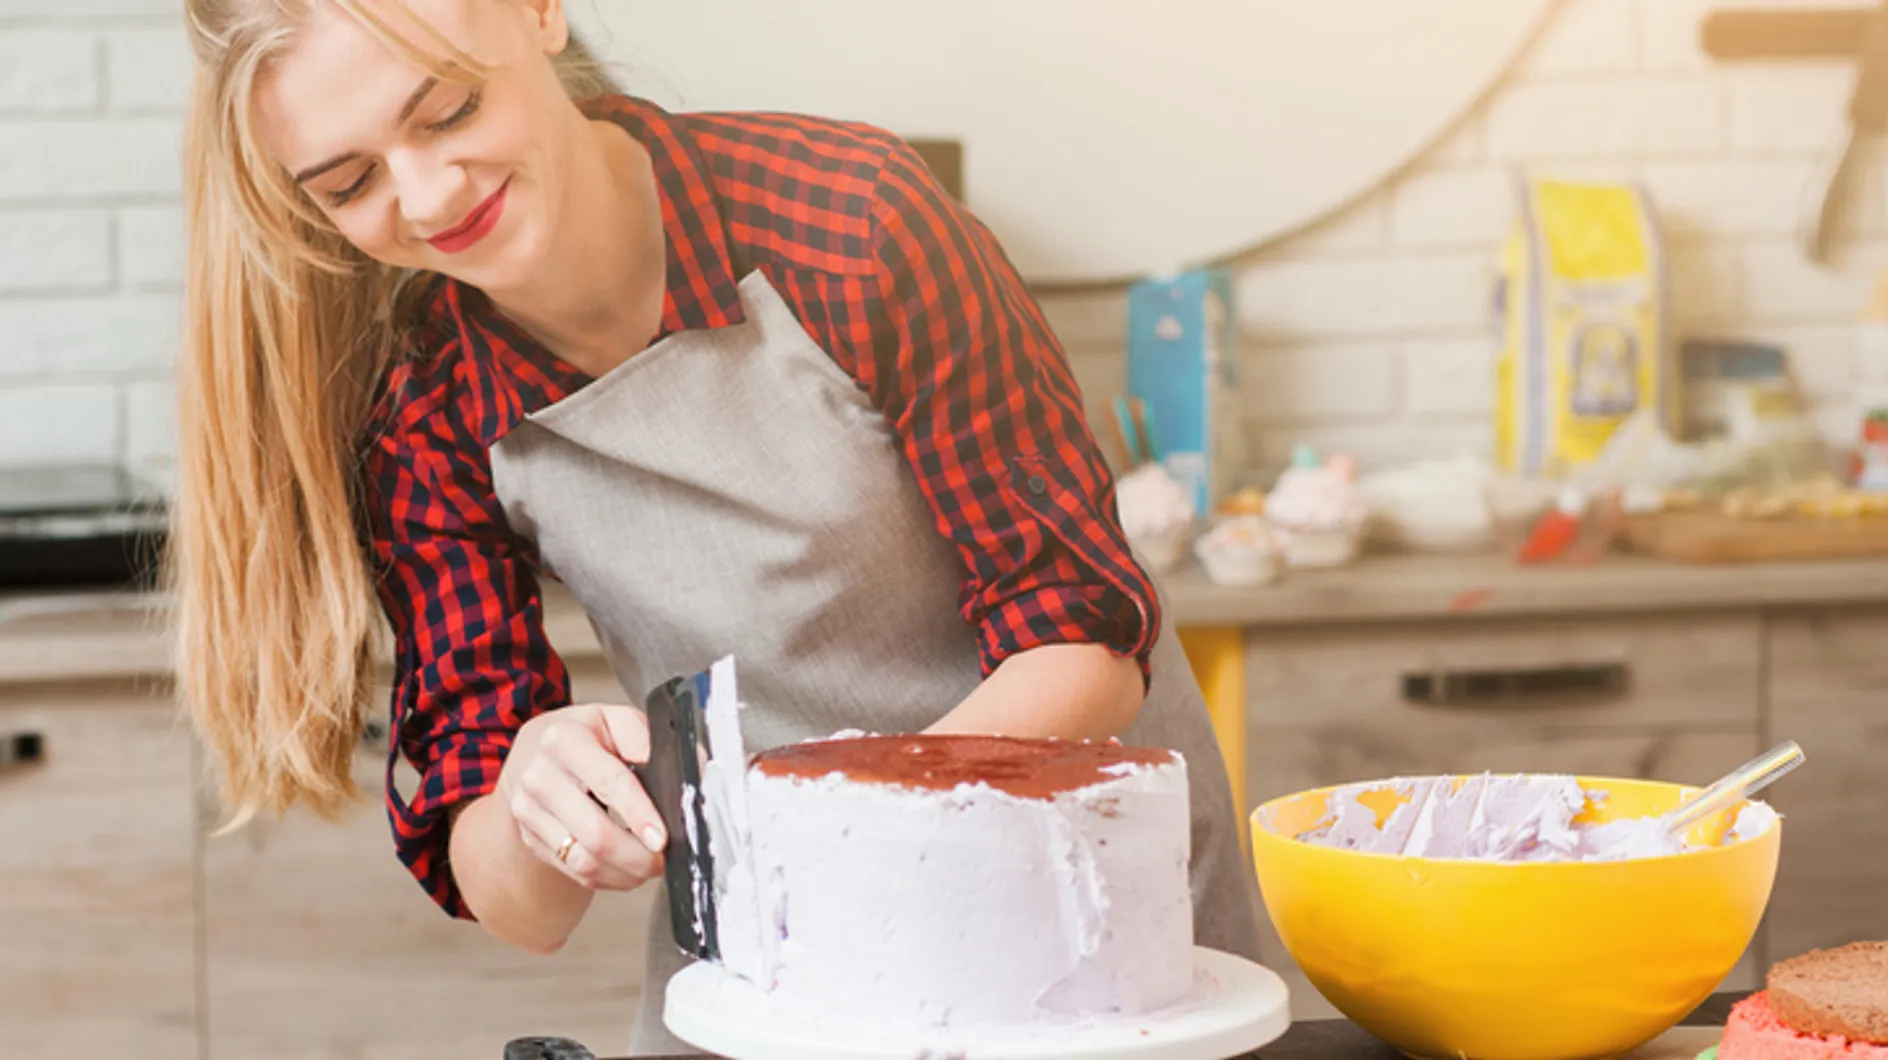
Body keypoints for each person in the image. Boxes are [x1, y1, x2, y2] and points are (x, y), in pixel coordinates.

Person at [173, 0, 1264, 1053]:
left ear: (540, 11)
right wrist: (535, 792)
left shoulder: (851, 220)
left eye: (449, 109)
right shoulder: (428, 411)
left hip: (1093, 918)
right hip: (781, 955)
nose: (425, 195)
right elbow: (520, 906)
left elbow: (1080, 636)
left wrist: (831, 839)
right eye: (349, 183)